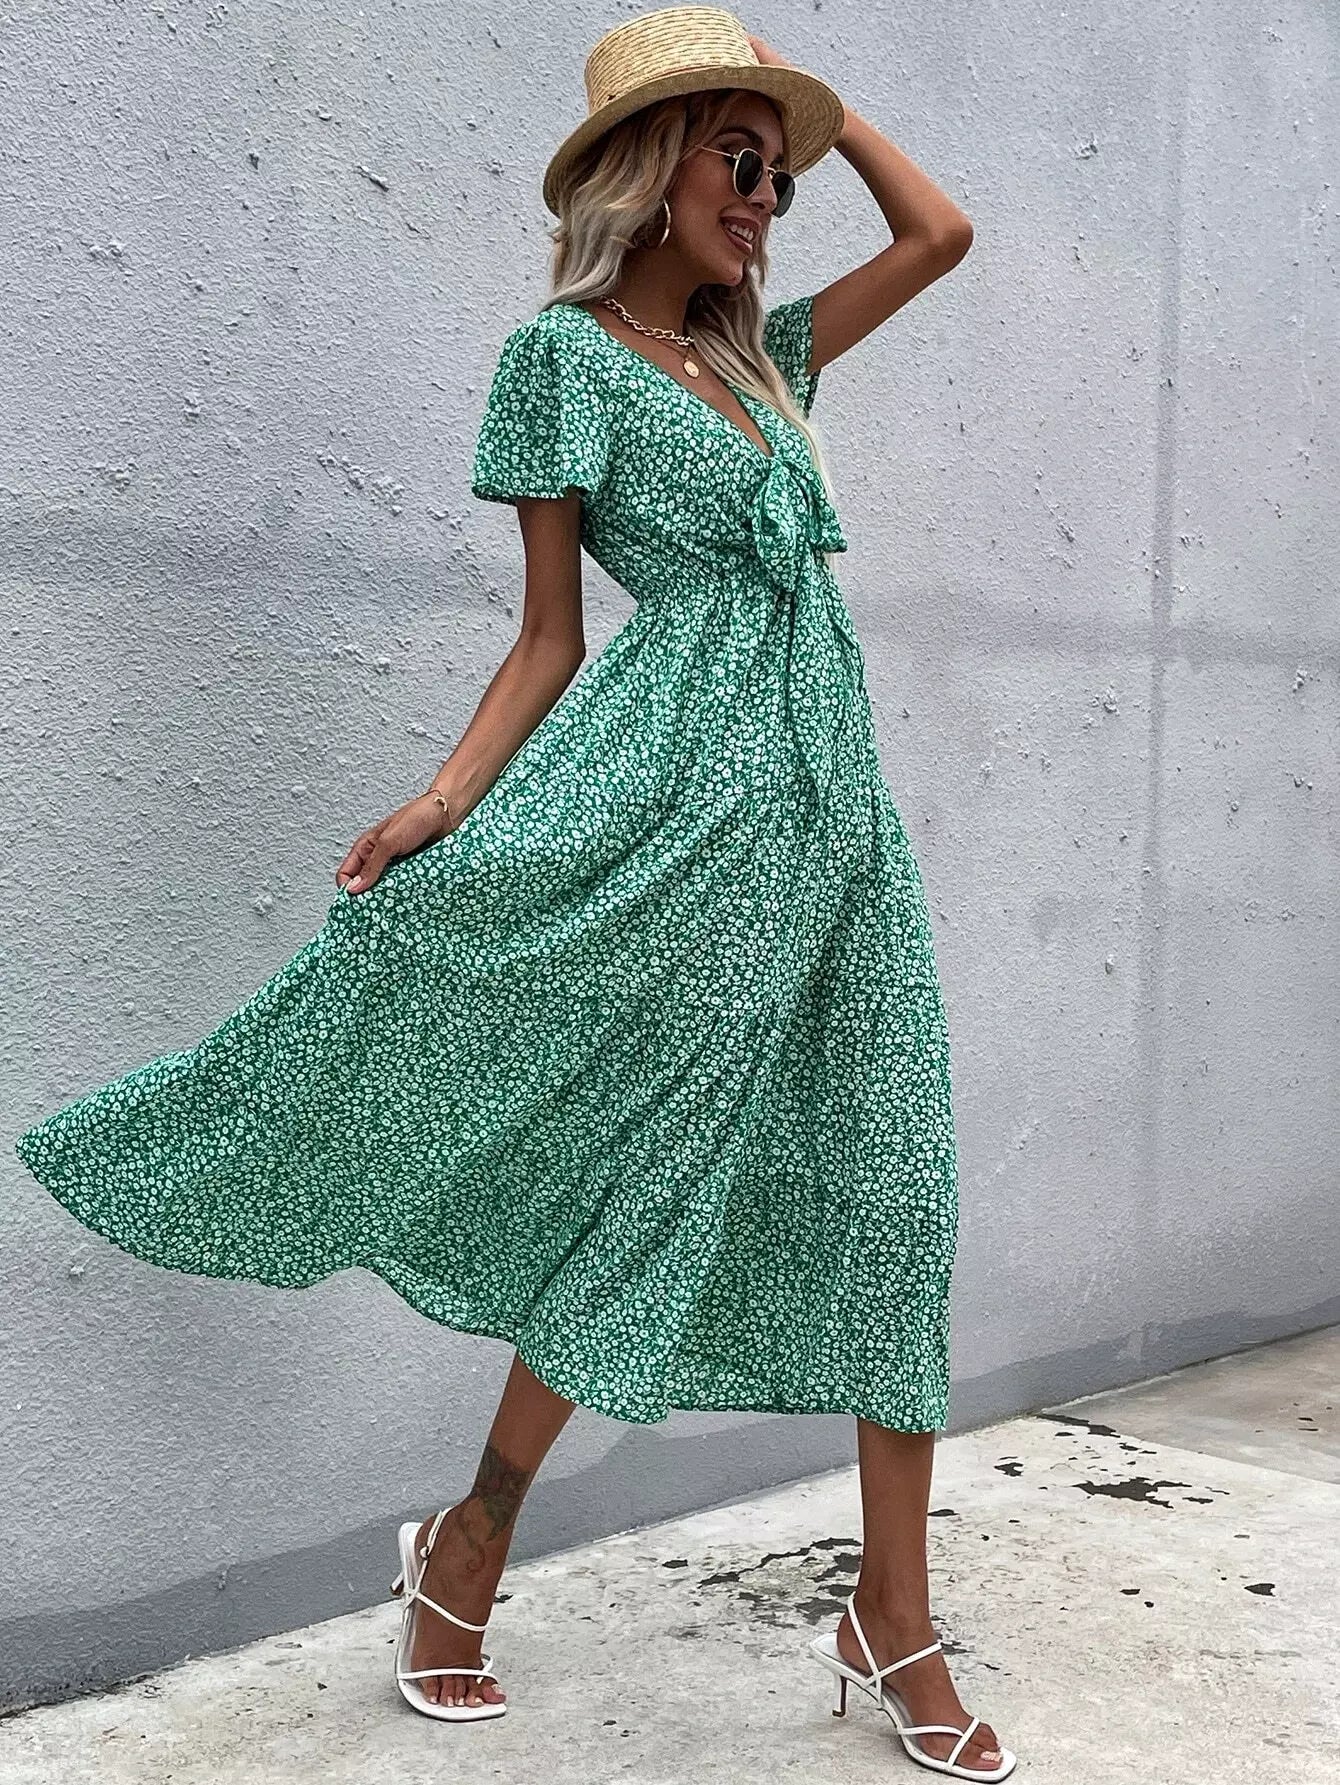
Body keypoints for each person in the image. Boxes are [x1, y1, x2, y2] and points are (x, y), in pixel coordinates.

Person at [14, 5, 1013, 1776]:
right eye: (735, 161)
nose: (764, 198)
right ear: (649, 173)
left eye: (774, 172)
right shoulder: (559, 359)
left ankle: (890, 1607)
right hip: (678, 812)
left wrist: (821, 114)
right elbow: (550, 635)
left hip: (835, 821)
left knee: (895, 1186)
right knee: (642, 1189)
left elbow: (940, 236)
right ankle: (473, 1538)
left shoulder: (771, 359)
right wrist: (442, 800)